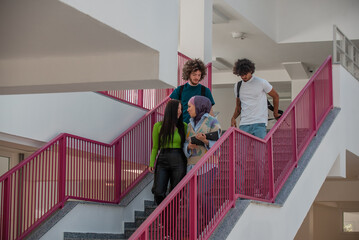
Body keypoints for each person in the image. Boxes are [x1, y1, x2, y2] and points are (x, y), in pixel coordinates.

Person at [183, 95, 221, 235]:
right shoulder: (189, 124)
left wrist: (205, 141)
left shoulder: (212, 121)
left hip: (208, 165)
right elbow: (186, 144)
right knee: (189, 199)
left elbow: (218, 143)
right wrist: (189, 146)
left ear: (199, 106)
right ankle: (192, 231)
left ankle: (211, 226)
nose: (187, 110)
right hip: (192, 165)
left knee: (203, 193)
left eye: (189, 106)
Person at [149, 99, 187, 206]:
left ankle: (170, 222)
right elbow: (155, 146)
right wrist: (152, 163)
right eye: (178, 109)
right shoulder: (158, 126)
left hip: (179, 159)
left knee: (175, 194)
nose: (180, 111)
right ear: (171, 110)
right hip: (163, 159)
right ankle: (165, 213)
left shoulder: (184, 126)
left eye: (181, 109)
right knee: (158, 192)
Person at [231, 58, 280, 139]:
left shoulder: (261, 82)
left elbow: (275, 96)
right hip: (244, 123)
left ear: (250, 71)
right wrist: (233, 118)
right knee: (242, 151)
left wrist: (275, 113)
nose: (243, 77)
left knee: (260, 150)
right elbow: (238, 106)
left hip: (259, 122)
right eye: (241, 75)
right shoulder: (237, 86)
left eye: (245, 74)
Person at [170, 58, 215, 123]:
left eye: (199, 75)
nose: (197, 77)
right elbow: (172, 110)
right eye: (194, 75)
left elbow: (210, 111)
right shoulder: (179, 90)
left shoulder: (205, 91)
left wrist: (213, 126)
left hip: (200, 128)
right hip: (182, 127)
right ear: (188, 74)